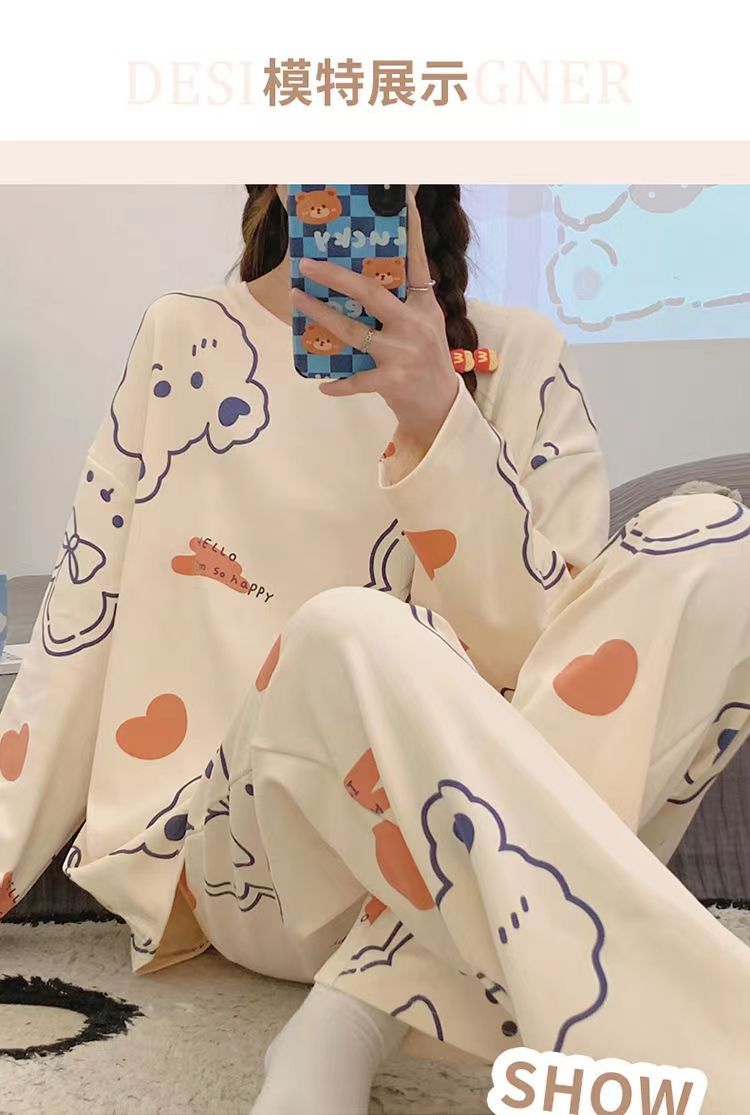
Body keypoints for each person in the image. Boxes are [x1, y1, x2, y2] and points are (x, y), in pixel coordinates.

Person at [1, 185, 748, 1115]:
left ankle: (355, 1009)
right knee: (349, 628)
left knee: (718, 546)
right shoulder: (184, 336)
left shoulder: (520, 354)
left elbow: (561, 662)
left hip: (470, 858)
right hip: (255, 859)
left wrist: (439, 418)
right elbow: (79, 626)